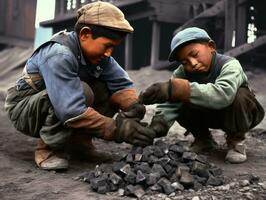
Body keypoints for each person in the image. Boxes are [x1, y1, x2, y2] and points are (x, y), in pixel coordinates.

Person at [4, 1, 157, 170]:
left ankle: (79, 144)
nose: (109, 53)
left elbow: (121, 85)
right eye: (107, 46)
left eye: (113, 48)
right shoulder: (59, 54)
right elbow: (70, 109)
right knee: (82, 91)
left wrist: (134, 106)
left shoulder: (101, 57)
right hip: (23, 109)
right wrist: (118, 129)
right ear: (85, 34)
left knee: (106, 90)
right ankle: (49, 149)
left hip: (56, 103)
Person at [140, 27, 265, 164]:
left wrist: (179, 89)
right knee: (178, 97)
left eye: (194, 54)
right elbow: (170, 104)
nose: (192, 64)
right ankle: (203, 139)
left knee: (239, 95)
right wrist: (158, 126)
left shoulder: (229, 65)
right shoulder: (181, 73)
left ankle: (236, 141)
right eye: (185, 62)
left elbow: (223, 95)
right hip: (208, 114)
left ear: (211, 46)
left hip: (239, 115)